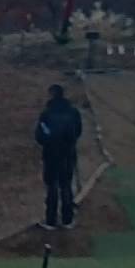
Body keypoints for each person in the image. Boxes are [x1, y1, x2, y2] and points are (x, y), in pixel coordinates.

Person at [35, 84, 83, 230]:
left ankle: (51, 221)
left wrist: (48, 143)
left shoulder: (46, 114)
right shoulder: (74, 113)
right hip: (68, 154)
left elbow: (39, 135)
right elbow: (78, 132)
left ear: (52, 94)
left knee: (52, 186)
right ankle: (67, 220)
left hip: (51, 155)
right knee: (66, 185)